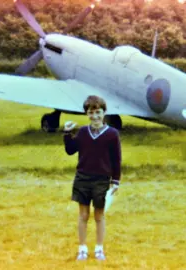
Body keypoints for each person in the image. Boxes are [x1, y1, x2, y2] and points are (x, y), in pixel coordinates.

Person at [63, 95, 121, 261]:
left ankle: (99, 249)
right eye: (91, 112)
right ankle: (82, 249)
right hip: (82, 178)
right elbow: (70, 150)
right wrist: (67, 133)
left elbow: (116, 160)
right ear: (86, 114)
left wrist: (115, 181)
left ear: (104, 113)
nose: (94, 116)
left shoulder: (112, 134)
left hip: (102, 180)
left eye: (98, 112)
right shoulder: (82, 132)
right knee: (83, 215)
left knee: (99, 216)